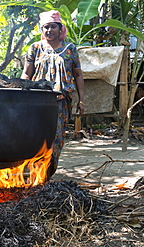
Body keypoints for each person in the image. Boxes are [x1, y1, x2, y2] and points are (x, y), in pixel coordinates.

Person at [21, 10, 84, 178]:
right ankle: (33, 174)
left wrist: (81, 100)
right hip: (37, 101)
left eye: (53, 27)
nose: (49, 30)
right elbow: (26, 74)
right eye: (45, 27)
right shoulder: (35, 48)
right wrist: (21, 94)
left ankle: (47, 173)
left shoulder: (70, 49)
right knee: (35, 135)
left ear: (60, 28)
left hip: (61, 101)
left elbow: (78, 75)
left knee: (56, 138)